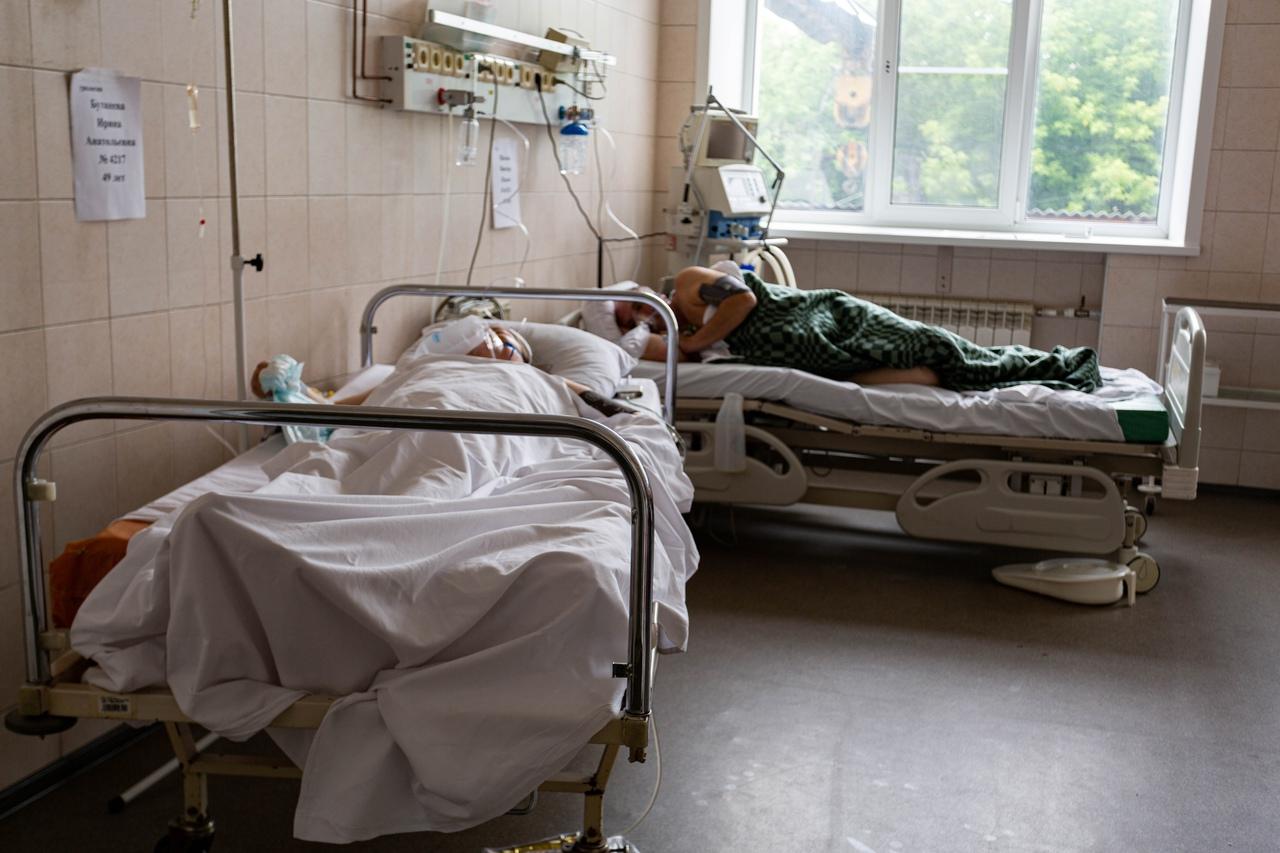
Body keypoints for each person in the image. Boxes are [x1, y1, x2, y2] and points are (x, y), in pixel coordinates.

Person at [665, 263, 1101, 393]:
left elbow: (744, 299)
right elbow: (668, 355)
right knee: (935, 370)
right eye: (635, 325)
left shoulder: (688, 285)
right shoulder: (675, 339)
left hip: (832, 318)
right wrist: (680, 343)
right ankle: (1018, 371)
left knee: (932, 343)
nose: (644, 320)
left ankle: (1044, 366)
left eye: (638, 310)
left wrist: (696, 339)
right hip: (827, 356)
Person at [580, 282, 684, 362]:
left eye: (638, 305)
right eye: (632, 323)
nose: (643, 314)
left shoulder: (684, 286)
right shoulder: (652, 337)